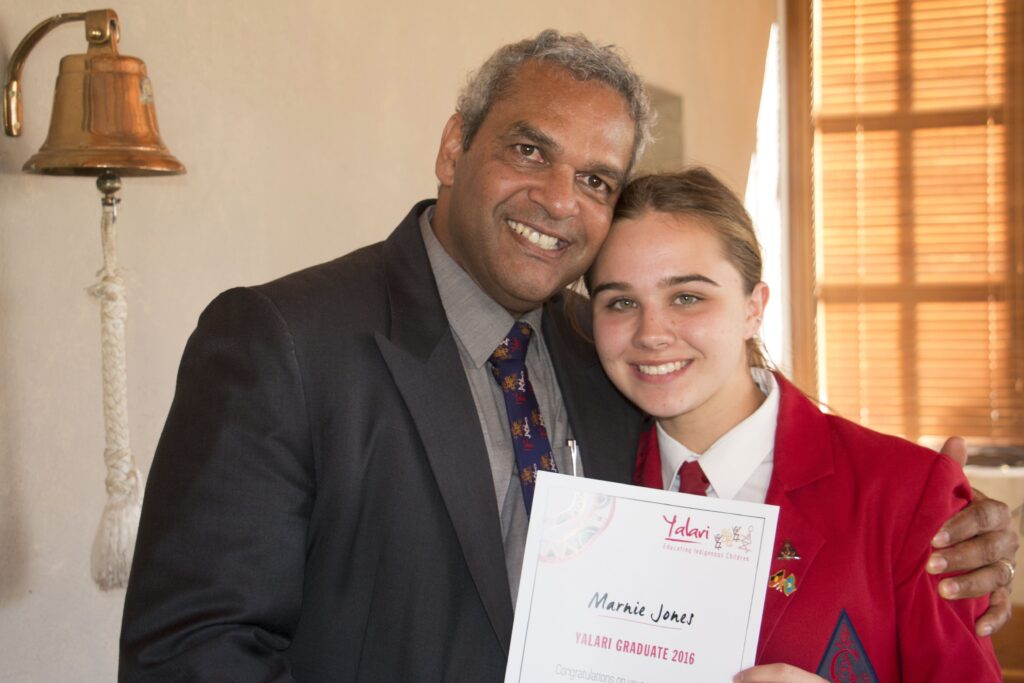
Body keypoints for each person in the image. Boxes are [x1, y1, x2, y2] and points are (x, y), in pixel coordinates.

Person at [119, 31, 1016, 682]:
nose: (556, 200)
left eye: (595, 179)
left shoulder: (601, 356)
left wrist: (952, 528)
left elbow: (752, 431)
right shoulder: (283, 341)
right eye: (527, 149)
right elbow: (190, 655)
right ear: (452, 145)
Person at [586, 168, 1006, 683]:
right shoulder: (588, 489)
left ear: (752, 309)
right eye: (621, 302)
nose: (651, 333)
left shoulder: (906, 493)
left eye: (687, 297)